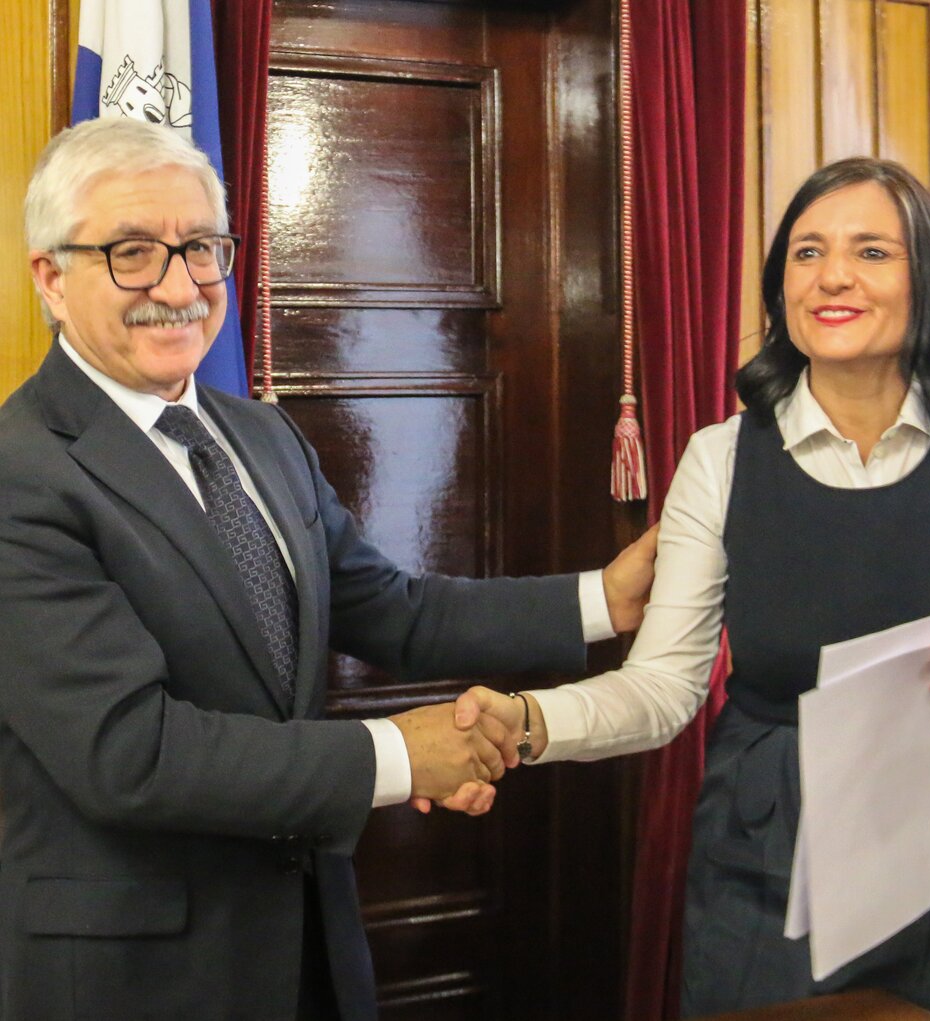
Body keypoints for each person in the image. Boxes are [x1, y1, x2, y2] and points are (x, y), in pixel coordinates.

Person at [0, 117, 656, 1021]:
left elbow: (391, 609)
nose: (179, 286)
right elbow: (131, 752)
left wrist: (604, 599)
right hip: (138, 978)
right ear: (51, 278)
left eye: (200, 247)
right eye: (132, 253)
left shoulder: (260, 434)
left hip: (308, 947)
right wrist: (400, 755)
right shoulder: (22, 471)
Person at [456, 157, 930, 1020]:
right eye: (807, 252)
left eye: (872, 251)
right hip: (768, 850)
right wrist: (526, 721)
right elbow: (661, 689)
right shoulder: (720, 458)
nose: (832, 276)